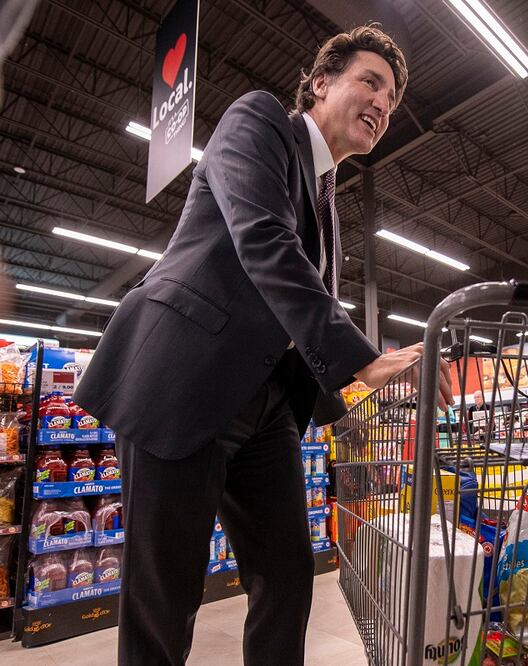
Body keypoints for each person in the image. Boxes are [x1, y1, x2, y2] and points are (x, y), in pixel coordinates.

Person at [74, 26, 452, 665]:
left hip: (267, 406)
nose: (383, 104)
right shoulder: (259, 121)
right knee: (164, 595)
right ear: (321, 81)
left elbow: (304, 307)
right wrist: (365, 357)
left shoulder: (331, 203)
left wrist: (358, 384)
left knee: (286, 574)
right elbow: (263, 242)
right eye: (371, 82)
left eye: (391, 97)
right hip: (183, 378)